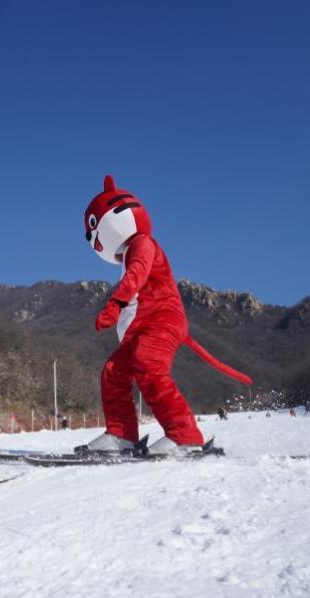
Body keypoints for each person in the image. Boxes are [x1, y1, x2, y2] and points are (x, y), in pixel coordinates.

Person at [76, 176, 250, 456]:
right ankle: (122, 435)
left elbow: (138, 274)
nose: (91, 238)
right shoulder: (130, 252)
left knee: (148, 364)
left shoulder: (143, 244)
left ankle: (185, 435)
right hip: (142, 330)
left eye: (93, 228)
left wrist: (114, 305)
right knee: (114, 371)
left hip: (161, 321)